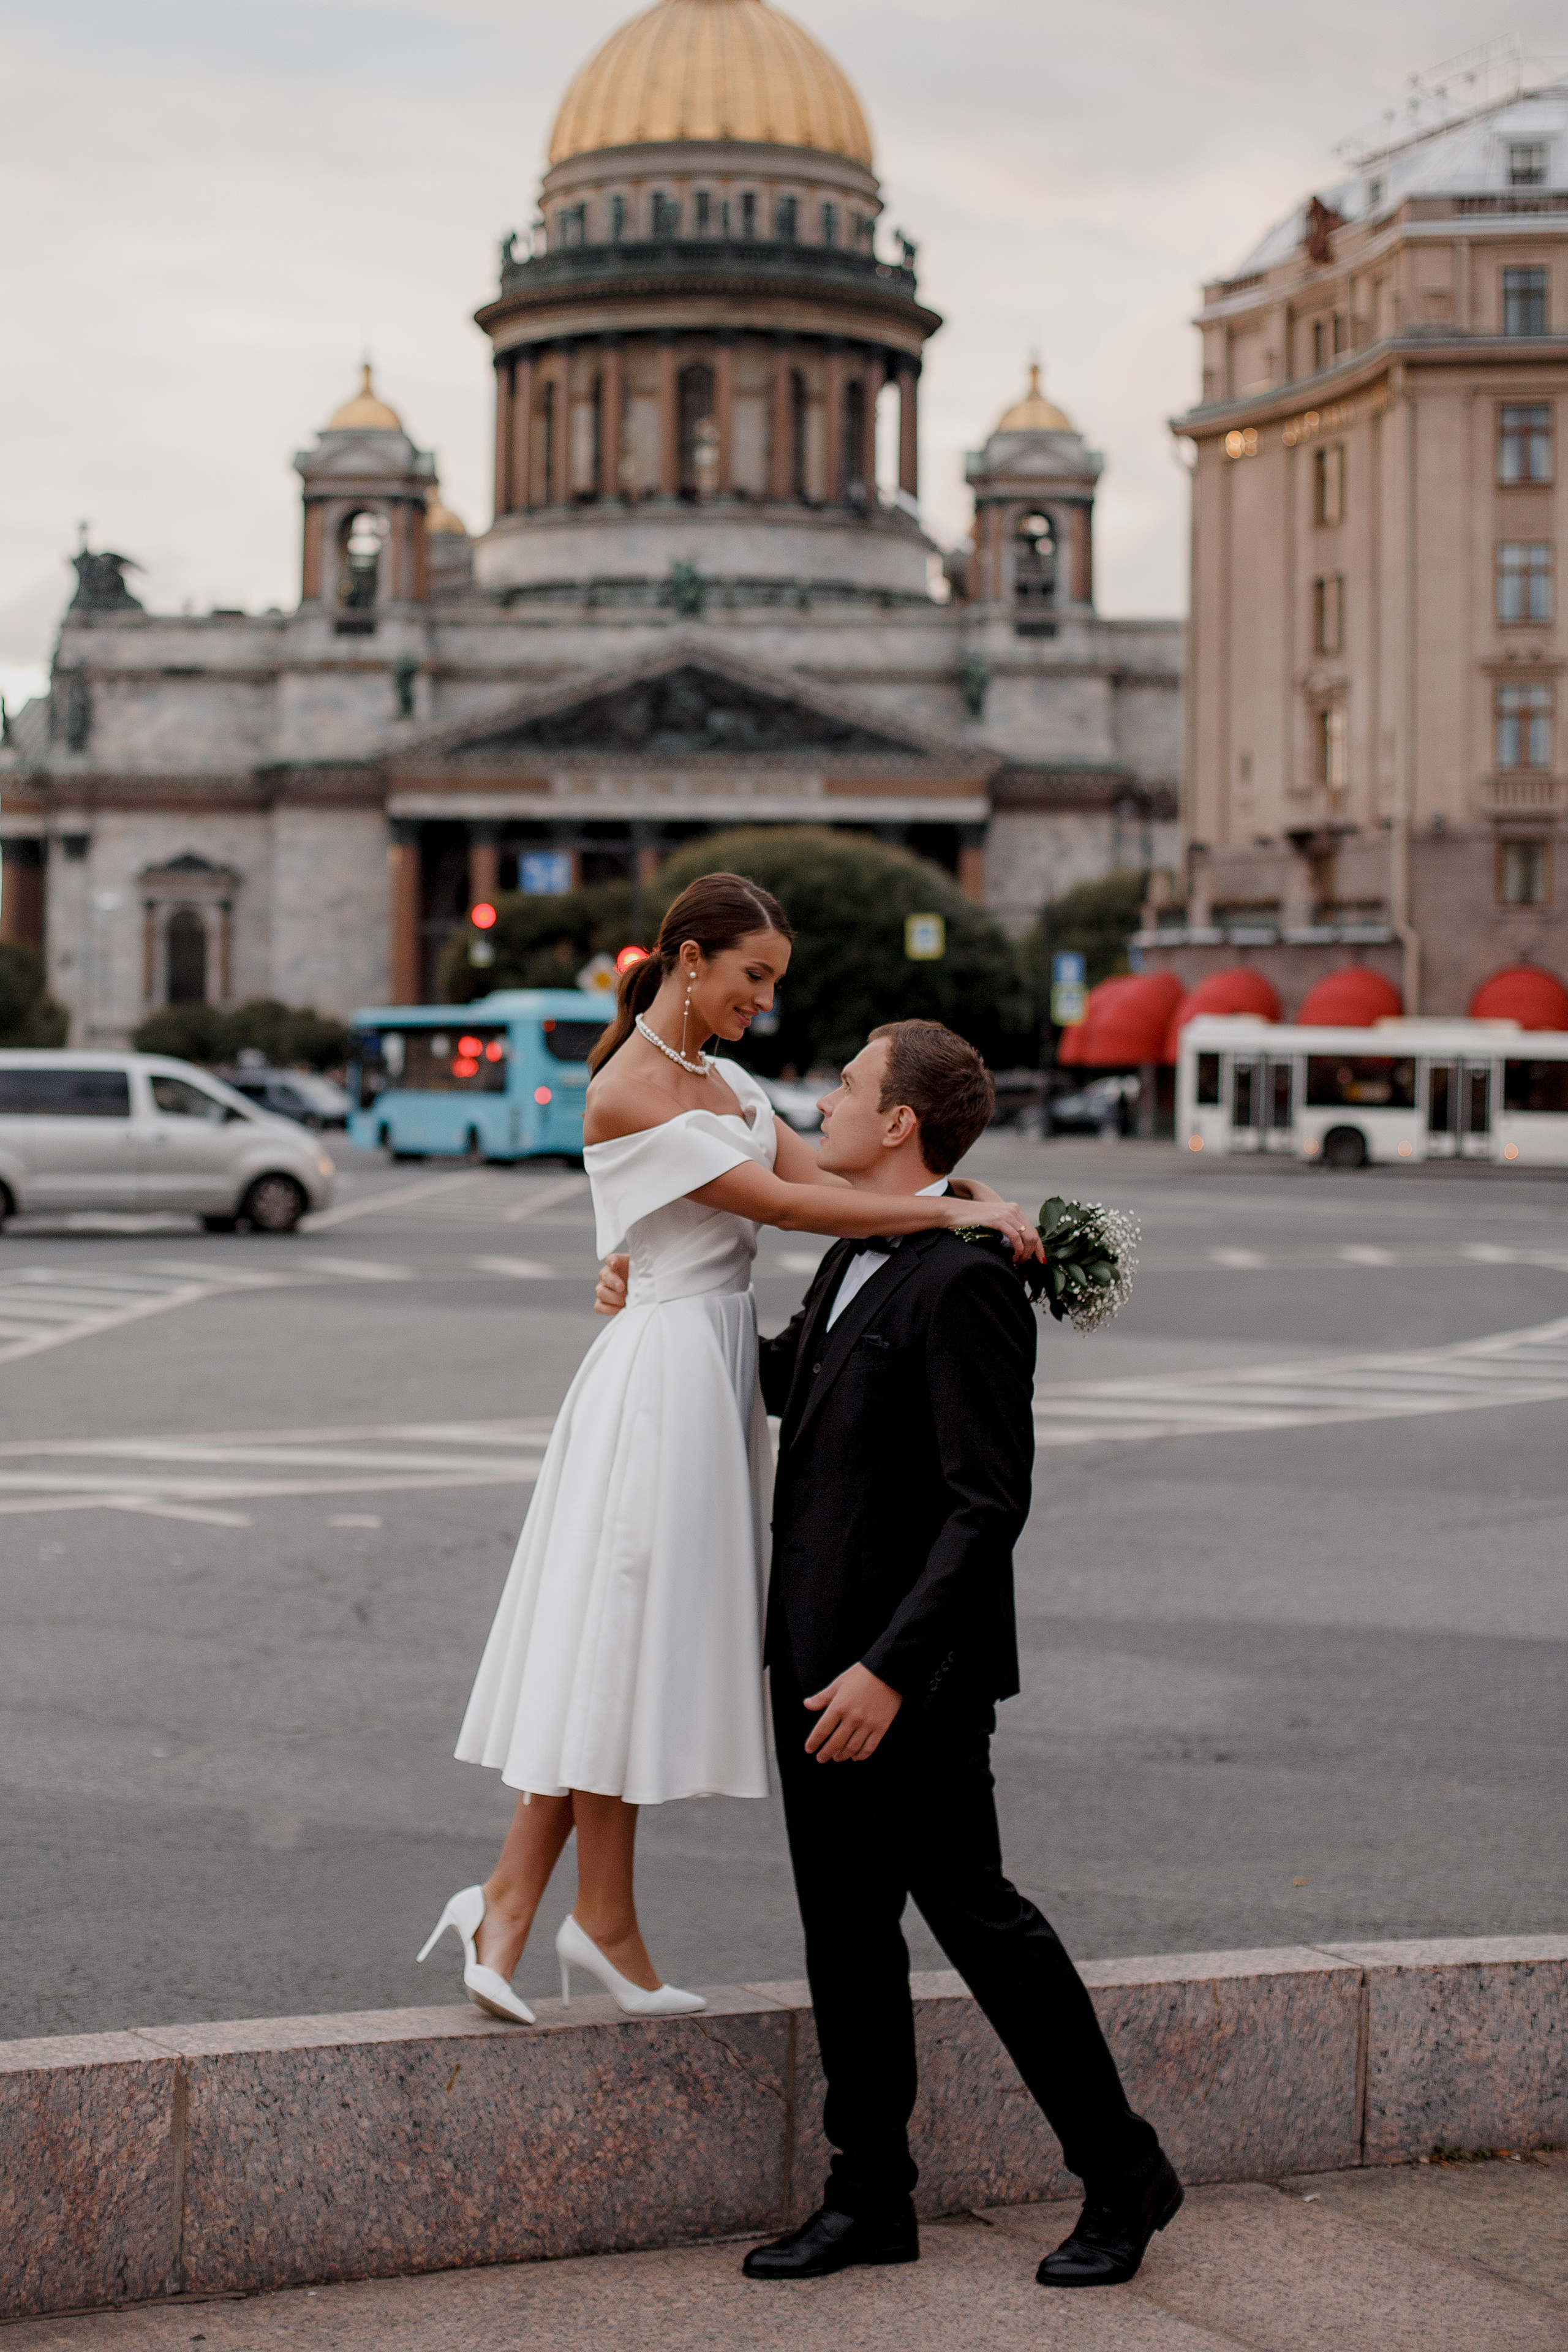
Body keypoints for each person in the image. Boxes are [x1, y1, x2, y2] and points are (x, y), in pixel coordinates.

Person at [597, 1017, 1181, 2291]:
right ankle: (869, 2198)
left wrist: (890, 1672)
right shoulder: (868, 1252)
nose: (829, 1099)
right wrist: (651, 1299)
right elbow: (779, 1384)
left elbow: (987, 1503)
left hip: (902, 1677)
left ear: (899, 1122)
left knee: (978, 1918)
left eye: (851, 1085)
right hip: (810, 1656)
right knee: (845, 1933)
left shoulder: (962, 1277)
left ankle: (1122, 2169)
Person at [418, 875, 1039, 2030]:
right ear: (690, 960)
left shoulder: (732, 1084)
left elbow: (834, 1176)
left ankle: (581, 1912)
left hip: (715, 1376)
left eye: (776, 981)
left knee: (631, 1647)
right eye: (755, 976)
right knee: (615, 1641)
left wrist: (979, 1192)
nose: (767, 999)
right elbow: (794, 1210)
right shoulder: (624, 1093)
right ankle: (531, 1904)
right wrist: (956, 1215)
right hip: (656, 1382)